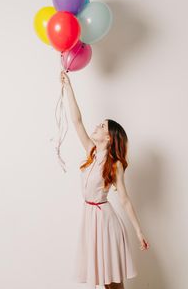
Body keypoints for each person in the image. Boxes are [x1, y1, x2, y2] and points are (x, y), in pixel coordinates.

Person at [60, 70, 150, 289]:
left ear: (109, 138)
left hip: (106, 223)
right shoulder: (91, 152)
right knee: (102, 281)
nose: (97, 126)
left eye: (102, 126)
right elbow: (77, 121)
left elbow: (125, 200)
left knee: (113, 284)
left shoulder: (115, 164)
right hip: (90, 221)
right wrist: (68, 87)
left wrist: (139, 231)